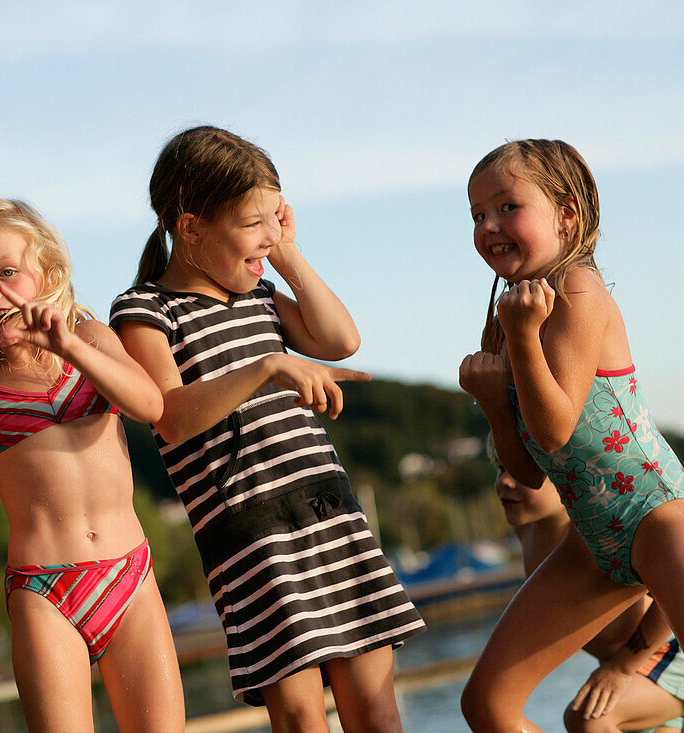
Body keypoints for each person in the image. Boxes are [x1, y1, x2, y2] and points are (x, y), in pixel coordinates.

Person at [110, 125, 425, 732]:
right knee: (302, 719)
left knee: (377, 713)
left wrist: (283, 252)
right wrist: (268, 366)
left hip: (329, 514)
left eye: (273, 219)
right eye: (253, 224)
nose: (269, 235)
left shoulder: (261, 296)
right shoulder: (146, 311)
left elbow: (341, 339)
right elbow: (169, 416)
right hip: (252, 540)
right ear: (191, 225)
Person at [459, 139, 684, 732]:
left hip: (658, 511)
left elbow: (557, 429)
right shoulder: (508, 316)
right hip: (594, 539)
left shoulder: (579, 289)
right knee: (485, 703)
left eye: (507, 207)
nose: (489, 227)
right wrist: (492, 398)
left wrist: (521, 335)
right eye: (476, 216)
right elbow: (531, 468)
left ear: (566, 214)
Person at [0, 198, 184, 732]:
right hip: (44, 592)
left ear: (49, 274)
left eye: (7, 272)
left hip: (128, 574)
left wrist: (70, 346)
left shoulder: (92, 341)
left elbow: (150, 405)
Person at [491, 450, 684, 732]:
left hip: (667, 655)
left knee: (587, 718)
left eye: (519, 471)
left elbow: (676, 597)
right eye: (500, 467)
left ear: (564, 478)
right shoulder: (526, 533)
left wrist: (622, 668)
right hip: (619, 670)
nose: (504, 481)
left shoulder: (599, 535)